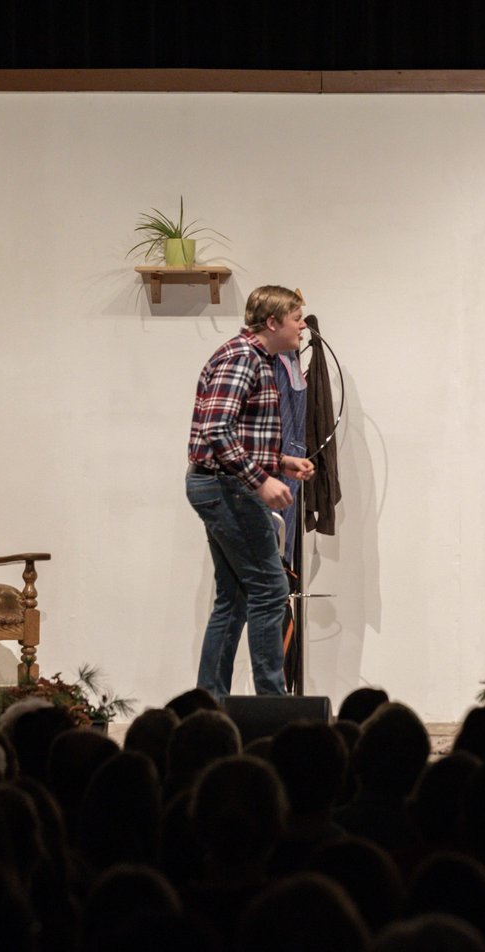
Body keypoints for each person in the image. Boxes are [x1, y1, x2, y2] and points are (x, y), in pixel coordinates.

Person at [187, 285, 317, 697]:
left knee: (235, 598)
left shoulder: (258, 358)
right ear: (273, 322)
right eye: (296, 318)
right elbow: (217, 429)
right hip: (227, 488)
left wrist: (281, 463)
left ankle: (210, 704)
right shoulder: (242, 357)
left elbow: (239, 434)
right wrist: (260, 480)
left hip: (223, 484)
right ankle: (272, 705)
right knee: (271, 590)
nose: (302, 326)